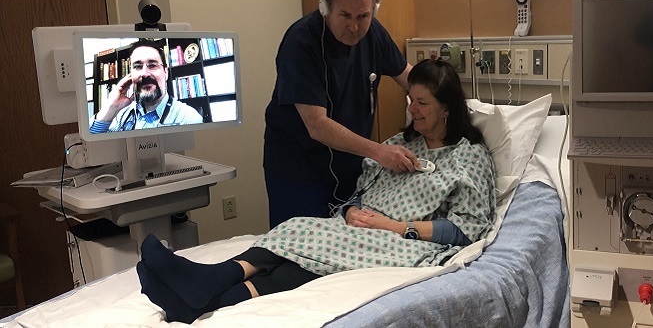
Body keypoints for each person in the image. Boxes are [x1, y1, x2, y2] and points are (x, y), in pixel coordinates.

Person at [137, 59, 497, 324]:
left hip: (406, 242)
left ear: (447, 108)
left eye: (422, 103)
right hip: (361, 228)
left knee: (318, 250)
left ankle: (205, 288)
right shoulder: (401, 144)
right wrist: (351, 211)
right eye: (410, 100)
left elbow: (467, 229)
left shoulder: (468, 157)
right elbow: (364, 188)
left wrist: (394, 227)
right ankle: (205, 289)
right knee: (297, 229)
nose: (411, 109)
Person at [264, 0, 417, 228]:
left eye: (363, 16)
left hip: (351, 167)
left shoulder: (374, 33)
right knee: (298, 250)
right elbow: (317, 125)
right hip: (299, 169)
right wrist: (380, 152)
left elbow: (409, 77)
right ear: (326, 8)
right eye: (345, 15)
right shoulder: (301, 43)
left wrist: (448, 102)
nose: (354, 27)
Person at [89, 39, 203, 133]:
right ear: (131, 75)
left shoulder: (188, 118)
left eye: (152, 65)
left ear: (165, 73)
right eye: (138, 66)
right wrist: (111, 107)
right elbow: (92, 149)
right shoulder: (121, 116)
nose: (144, 73)